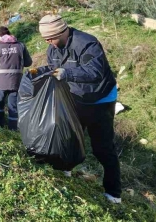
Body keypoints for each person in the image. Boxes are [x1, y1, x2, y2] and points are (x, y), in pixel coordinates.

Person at [31, 15, 121, 204]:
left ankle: (114, 192)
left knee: (102, 148)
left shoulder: (87, 44)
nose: (48, 43)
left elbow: (95, 72)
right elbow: (56, 72)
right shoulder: (53, 50)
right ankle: (66, 168)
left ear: (62, 32)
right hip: (75, 99)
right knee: (69, 137)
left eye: (51, 38)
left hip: (100, 100)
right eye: (45, 40)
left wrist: (67, 73)